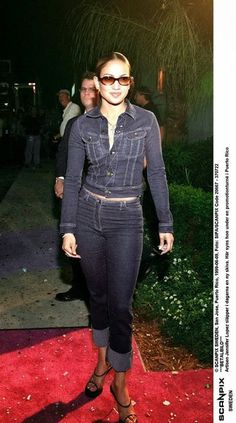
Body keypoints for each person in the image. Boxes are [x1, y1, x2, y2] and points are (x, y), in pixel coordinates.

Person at [60, 52, 174, 423]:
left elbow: (156, 174)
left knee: (121, 306)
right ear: (98, 81)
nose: (114, 86)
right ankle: (100, 363)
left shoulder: (145, 120)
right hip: (89, 216)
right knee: (98, 298)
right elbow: (73, 180)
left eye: (122, 79)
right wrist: (68, 228)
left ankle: (120, 384)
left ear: (130, 82)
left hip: (127, 218)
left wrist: (165, 223)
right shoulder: (82, 126)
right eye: (107, 79)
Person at [54, 72, 98, 302]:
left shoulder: (110, 122)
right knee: (72, 242)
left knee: (96, 248)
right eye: (83, 89)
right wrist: (60, 177)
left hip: (98, 195)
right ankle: (79, 287)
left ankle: (97, 299)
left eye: (92, 89)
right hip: (74, 191)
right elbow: (64, 152)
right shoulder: (73, 123)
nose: (87, 93)